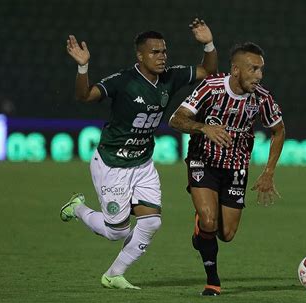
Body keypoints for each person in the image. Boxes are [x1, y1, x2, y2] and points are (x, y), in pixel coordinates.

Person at [60, 18, 218, 289]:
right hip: (112, 163)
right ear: (140, 55)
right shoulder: (124, 81)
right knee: (116, 232)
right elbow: (85, 96)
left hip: (143, 163)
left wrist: (208, 44)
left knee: (152, 222)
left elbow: (208, 70)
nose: (161, 57)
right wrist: (83, 66)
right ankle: (78, 208)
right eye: (155, 52)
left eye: (164, 51)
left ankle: (113, 275)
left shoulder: (170, 77)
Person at [169, 42, 285, 296]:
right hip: (204, 161)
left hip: (236, 167)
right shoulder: (211, 88)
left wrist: (268, 172)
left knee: (227, 234)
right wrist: (203, 128)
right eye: (253, 69)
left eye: (261, 70)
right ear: (235, 70)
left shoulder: (261, 98)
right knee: (210, 221)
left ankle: (202, 231)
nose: (259, 76)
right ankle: (213, 281)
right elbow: (176, 119)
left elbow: (279, 130)